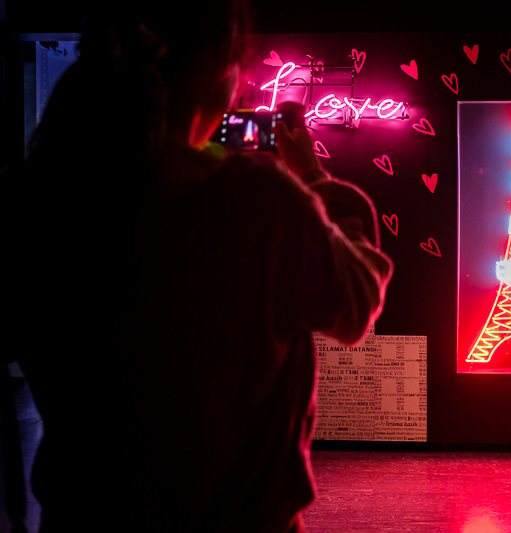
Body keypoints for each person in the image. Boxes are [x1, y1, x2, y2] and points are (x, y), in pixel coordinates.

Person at [9, 0, 392, 531]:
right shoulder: (261, 202)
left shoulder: (40, 196)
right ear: (220, 63)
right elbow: (356, 304)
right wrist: (317, 181)